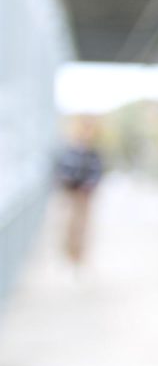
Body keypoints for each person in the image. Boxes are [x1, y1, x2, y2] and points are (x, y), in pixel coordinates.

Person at [55, 116, 105, 270]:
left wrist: (90, 184)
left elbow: (98, 172)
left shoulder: (93, 153)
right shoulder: (71, 151)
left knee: (83, 225)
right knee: (70, 224)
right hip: (71, 193)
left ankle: (79, 256)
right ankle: (69, 255)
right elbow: (62, 170)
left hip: (85, 195)